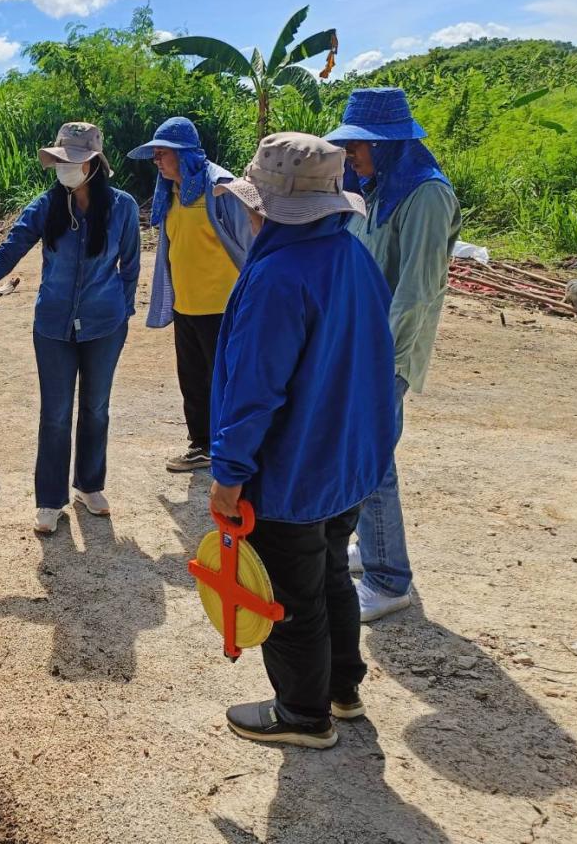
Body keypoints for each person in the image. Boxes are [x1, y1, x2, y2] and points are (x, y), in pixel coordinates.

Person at [207, 132, 398, 749]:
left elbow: (253, 391)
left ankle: (302, 713)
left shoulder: (276, 277)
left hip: (293, 467)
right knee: (331, 576)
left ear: (263, 205)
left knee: (290, 596)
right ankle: (343, 689)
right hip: (348, 462)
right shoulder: (353, 256)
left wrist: (229, 475)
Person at [0, 122, 140, 534]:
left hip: (104, 327)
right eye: (60, 161)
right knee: (55, 414)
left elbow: (130, 266)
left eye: (73, 161)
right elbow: (9, 250)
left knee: (96, 408)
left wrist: (122, 312)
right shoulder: (45, 206)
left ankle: (90, 485)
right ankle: (50, 500)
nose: (65, 169)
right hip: (53, 327)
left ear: (94, 163)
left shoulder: (124, 208)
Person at [325, 88, 462, 623]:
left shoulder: (425, 195)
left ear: (389, 144)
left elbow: (417, 293)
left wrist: (375, 361)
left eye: (360, 145)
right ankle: (374, 547)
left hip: (386, 353)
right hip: (361, 345)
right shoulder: (377, 186)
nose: (352, 153)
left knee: (372, 461)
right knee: (362, 453)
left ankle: (388, 580)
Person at [127, 117, 253, 473]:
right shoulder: (172, 190)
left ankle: (229, 450)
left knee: (225, 382)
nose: (156, 161)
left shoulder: (222, 187)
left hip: (222, 307)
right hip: (187, 305)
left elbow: (249, 242)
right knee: (194, 381)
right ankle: (201, 446)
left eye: (161, 153)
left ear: (183, 154)